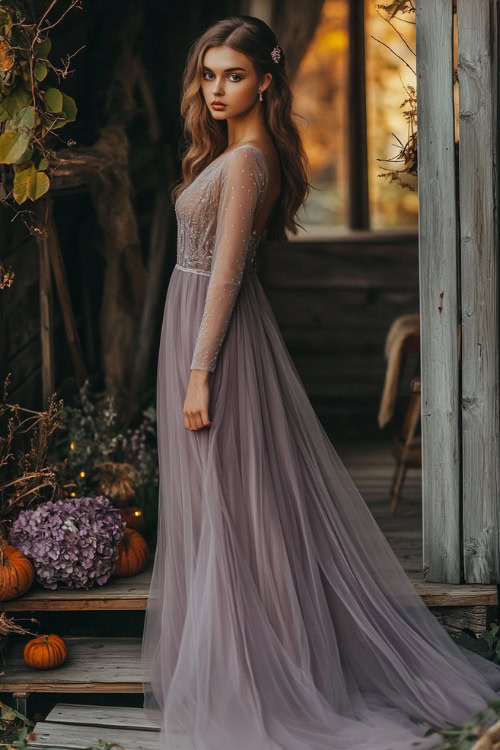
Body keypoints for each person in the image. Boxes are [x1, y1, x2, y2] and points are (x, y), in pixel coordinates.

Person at [141, 14, 500, 750]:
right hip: (195, 332)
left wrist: (200, 374)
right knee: (224, 507)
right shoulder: (228, 149)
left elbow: (229, 275)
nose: (216, 88)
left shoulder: (247, 161)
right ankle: (241, 660)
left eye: (233, 75)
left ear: (265, 81)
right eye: (208, 75)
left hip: (216, 343)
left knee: (241, 507)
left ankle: (266, 671)